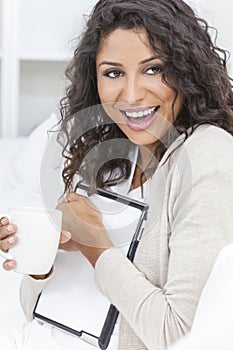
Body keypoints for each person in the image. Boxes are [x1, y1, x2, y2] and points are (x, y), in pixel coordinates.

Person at [1, 0, 233, 349]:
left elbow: (180, 334)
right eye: (113, 73)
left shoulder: (208, 153)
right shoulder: (108, 155)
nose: (132, 94)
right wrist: (41, 264)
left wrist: (96, 245)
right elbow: (35, 310)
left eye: (153, 69)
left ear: (186, 71)